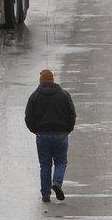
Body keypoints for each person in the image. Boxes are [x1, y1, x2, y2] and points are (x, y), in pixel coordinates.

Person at [25, 69, 76, 203]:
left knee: (45, 165)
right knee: (61, 162)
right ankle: (57, 183)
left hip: (42, 135)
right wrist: (68, 129)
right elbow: (72, 114)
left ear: (41, 81)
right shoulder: (64, 95)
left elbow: (28, 117)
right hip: (61, 134)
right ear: (52, 80)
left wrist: (35, 130)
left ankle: (45, 195)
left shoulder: (34, 96)